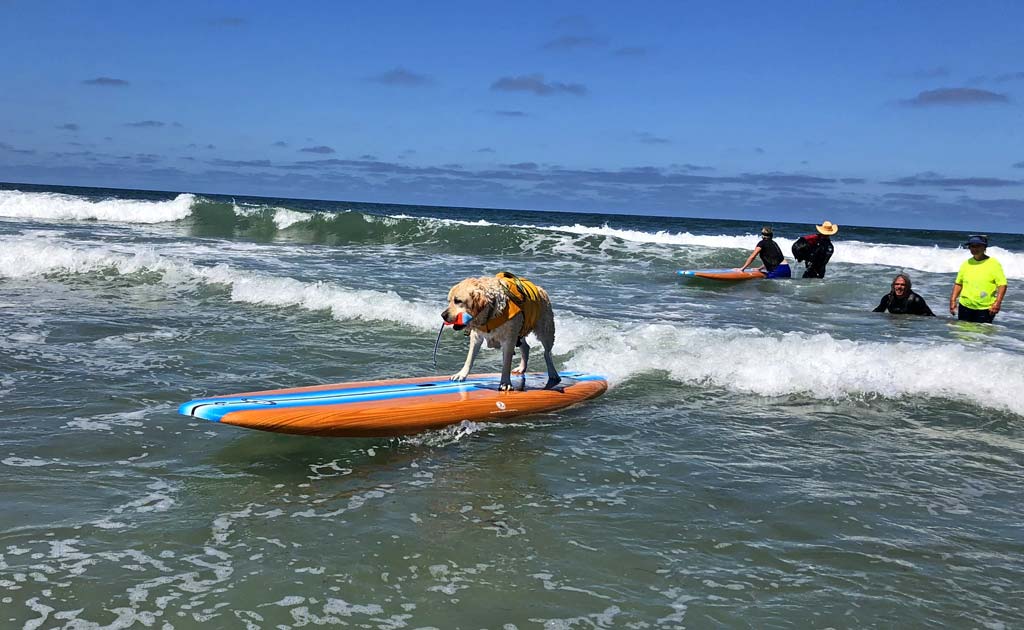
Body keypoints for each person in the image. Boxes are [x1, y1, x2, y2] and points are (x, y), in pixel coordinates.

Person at [949, 235, 1007, 323]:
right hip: (965, 305)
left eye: (978, 246)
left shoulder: (993, 264)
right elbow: (958, 284)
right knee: (962, 333)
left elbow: (1002, 285)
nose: (974, 249)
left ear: (985, 247)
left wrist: (997, 303)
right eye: (972, 246)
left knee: (981, 334)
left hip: (985, 307)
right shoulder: (966, 263)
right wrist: (953, 301)